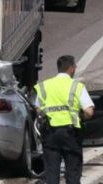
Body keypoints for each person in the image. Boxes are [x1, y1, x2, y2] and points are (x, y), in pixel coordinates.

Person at [34, 55, 95, 184]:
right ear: (71, 68)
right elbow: (89, 111)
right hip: (71, 134)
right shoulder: (77, 86)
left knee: (51, 173)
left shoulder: (45, 86)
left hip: (50, 134)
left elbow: (38, 110)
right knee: (73, 173)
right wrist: (81, 117)